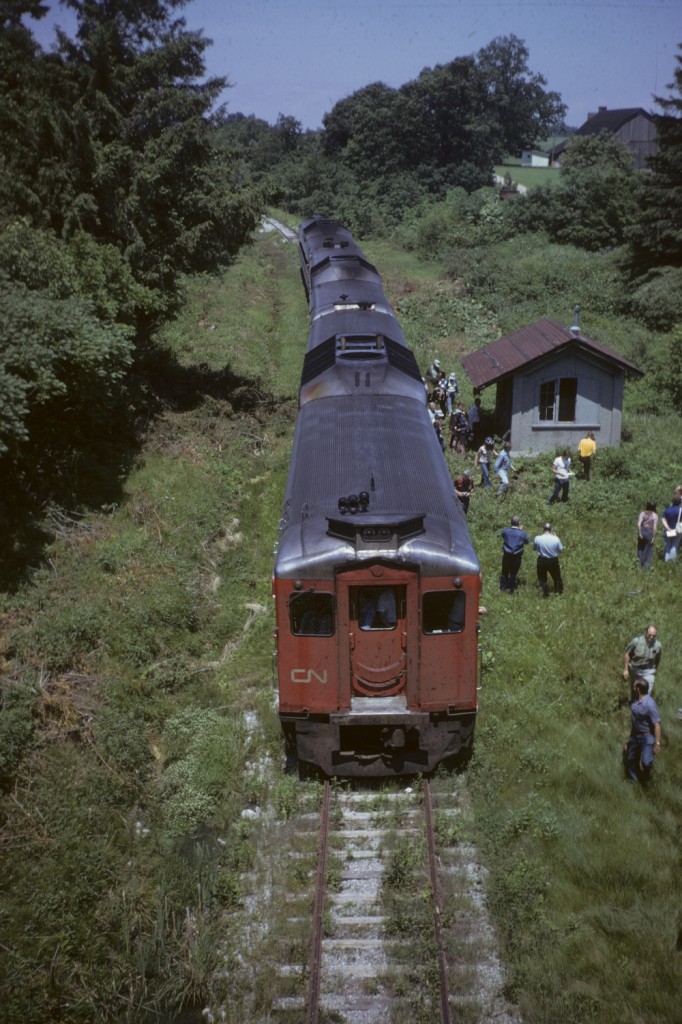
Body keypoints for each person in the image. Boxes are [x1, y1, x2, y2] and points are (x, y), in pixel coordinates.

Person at [625, 678, 661, 784]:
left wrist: (657, 744)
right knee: (630, 759)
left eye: (635, 686)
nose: (633, 687)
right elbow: (635, 723)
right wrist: (629, 740)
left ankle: (646, 779)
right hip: (635, 736)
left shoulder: (650, 704)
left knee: (646, 762)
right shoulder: (635, 701)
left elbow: (657, 726)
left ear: (638, 689)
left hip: (647, 737)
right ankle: (633, 781)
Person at [623, 625, 662, 695]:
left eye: (654, 636)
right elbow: (627, 654)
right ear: (645, 632)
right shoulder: (636, 642)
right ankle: (634, 703)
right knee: (634, 689)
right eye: (649, 635)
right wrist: (626, 669)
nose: (651, 637)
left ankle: (643, 704)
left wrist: (655, 668)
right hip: (635, 669)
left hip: (648, 671)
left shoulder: (658, 646)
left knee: (646, 693)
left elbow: (658, 658)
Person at [499, 515, 530, 594]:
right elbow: (527, 541)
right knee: (513, 573)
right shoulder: (522, 533)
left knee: (504, 572)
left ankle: (503, 588)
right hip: (517, 556)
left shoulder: (506, 531)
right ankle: (511, 589)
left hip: (506, 555)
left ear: (511, 522)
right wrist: (520, 530)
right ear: (519, 523)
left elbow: (502, 535)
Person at [533, 522, 563, 596]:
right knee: (556, 577)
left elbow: (534, 548)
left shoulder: (537, 538)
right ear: (551, 529)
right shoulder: (556, 539)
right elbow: (560, 550)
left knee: (542, 578)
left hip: (541, 560)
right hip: (553, 560)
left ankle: (544, 593)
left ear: (543, 529)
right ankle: (559, 592)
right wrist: (556, 537)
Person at [637, 501, 658, 570]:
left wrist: (640, 533)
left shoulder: (643, 513)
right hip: (649, 532)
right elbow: (654, 527)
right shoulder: (655, 515)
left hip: (642, 530)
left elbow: (639, 524)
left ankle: (639, 563)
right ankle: (646, 567)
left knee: (640, 547)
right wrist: (654, 537)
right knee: (648, 549)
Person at [661, 495, 682, 562]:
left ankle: (666, 561)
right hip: (678, 530)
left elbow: (664, 520)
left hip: (669, 530)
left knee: (667, 545)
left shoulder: (667, 510)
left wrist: (668, 528)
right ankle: (672, 562)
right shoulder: (681, 510)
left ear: (672, 501)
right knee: (674, 546)